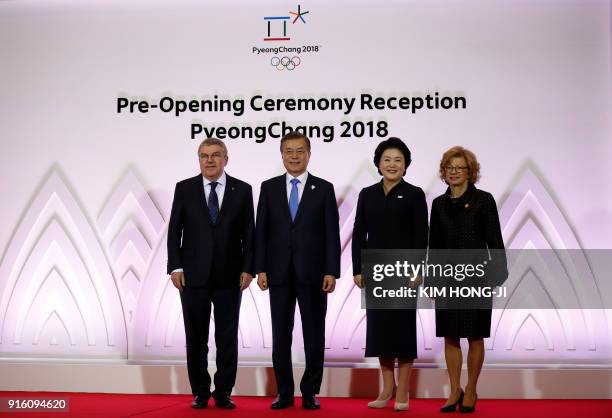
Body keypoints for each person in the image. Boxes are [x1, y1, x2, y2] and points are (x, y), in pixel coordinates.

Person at [255, 131, 341, 410]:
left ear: (309, 154)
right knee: (281, 334)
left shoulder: (324, 188)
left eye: (300, 151)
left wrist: (332, 270)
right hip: (278, 273)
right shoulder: (268, 187)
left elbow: (331, 233)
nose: (294, 156)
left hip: (314, 274)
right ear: (281, 155)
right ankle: (283, 392)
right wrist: (261, 268)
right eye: (289, 151)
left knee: (314, 334)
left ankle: (310, 392)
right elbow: (261, 231)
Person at [167, 138, 254, 409]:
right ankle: (201, 392)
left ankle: (224, 391)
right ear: (199, 159)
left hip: (230, 277)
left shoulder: (242, 190)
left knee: (227, 338)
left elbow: (249, 235)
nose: (210, 160)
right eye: (204, 156)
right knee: (196, 338)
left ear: (226, 159)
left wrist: (248, 268)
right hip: (192, 276)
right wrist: (175, 266)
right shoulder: (184, 188)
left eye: (216, 155)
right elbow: (174, 231)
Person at [352, 137, 428, 411]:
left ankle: (404, 392)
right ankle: (386, 390)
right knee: (380, 332)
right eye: (387, 159)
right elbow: (359, 233)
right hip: (375, 272)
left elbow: (422, 236)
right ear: (378, 163)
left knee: (403, 331)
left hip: (405, 272)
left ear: (405, 164)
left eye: (398, 160)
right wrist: (358, 270)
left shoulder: (415, 194)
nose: (392, 164)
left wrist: (418, 270)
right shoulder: (367, 194)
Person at [429, 146, 507, 413]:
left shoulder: (484, 200)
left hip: (477, 277)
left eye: (459, 167)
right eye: (449, 167)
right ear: (444, 171)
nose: (453, 172)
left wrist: (497, 273)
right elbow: (434, 245)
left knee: (475, 335)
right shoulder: (438, 204)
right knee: (450, 336)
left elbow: (495, 241)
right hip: (447, 278)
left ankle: (471, 388)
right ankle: (454, 389)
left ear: (470, 172)